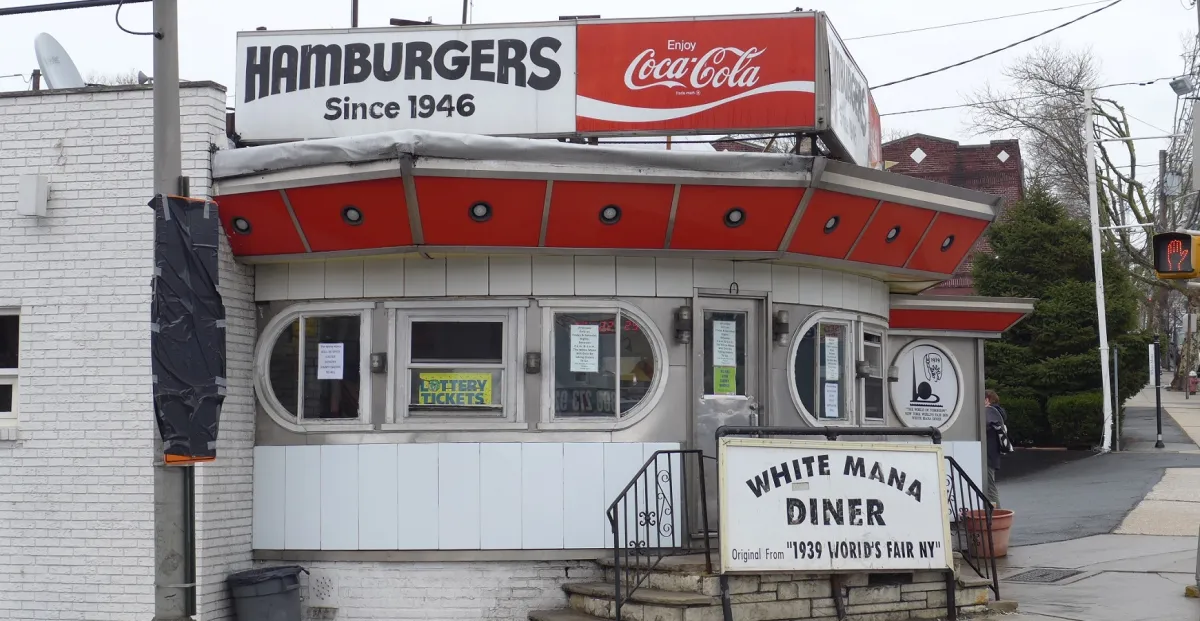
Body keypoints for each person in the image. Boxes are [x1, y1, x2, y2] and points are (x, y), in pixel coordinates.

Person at [984, 390, 1007, 507]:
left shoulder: (989, 413)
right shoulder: (998, 413)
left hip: (987, 455)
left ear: (987, 400)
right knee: (989, 486)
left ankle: (997, 514)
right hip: (993, 455)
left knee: (989, 488)